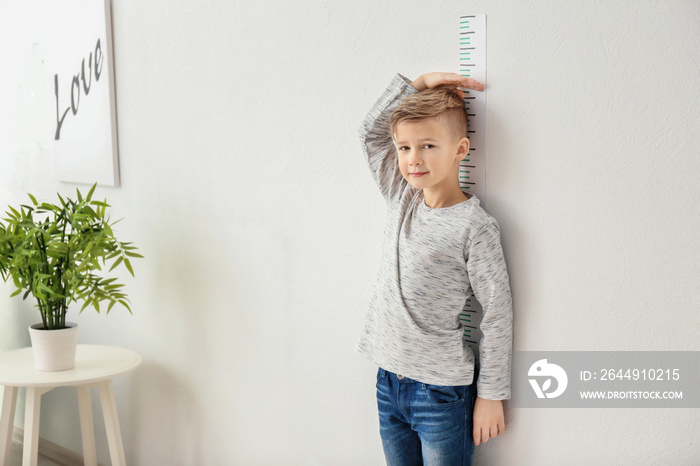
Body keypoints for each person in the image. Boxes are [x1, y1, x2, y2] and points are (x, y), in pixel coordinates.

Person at [356, 72, 513, 465]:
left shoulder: (474, 227)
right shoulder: (401, 195)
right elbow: (370, 133)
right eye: (405, 147)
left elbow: (496, 313)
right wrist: (419, 82)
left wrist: (492, 394)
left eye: (428, 145)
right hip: (387, 382)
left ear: (460, 149)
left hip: (440, 394)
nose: (413, 159)